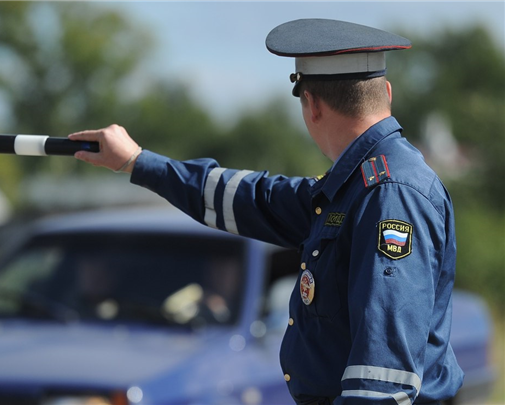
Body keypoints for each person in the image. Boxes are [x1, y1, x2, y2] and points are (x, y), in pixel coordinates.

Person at [67, 18, 463, 405]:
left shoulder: (387, 193)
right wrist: (137, 161)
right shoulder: (358, 185)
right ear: (387, 93)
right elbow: (253, 198)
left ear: (311, 104)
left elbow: (382, 381)